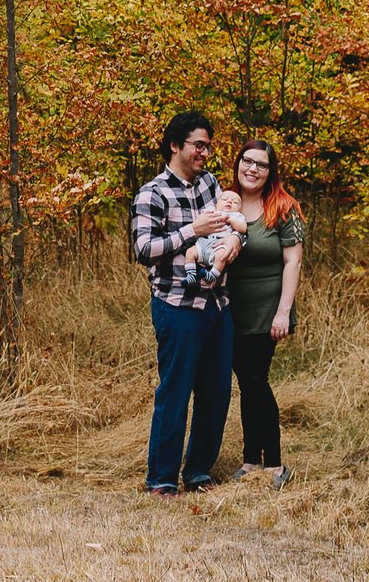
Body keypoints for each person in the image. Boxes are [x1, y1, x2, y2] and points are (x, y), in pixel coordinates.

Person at [129, 109, 237, 494]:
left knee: (216, 392)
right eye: (198, 145)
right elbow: (144, 249)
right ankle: (161, 479)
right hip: (176, 305)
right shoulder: (153, 193)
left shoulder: (210, 184)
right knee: (175, 391)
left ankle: (197, 472)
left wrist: (232, 243)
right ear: (176, 145)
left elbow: (228, 224)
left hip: (217, 305)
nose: (205, 153)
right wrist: (192, 230)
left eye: (208, 146)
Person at [225, 139, 305, 486]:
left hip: (267, 311)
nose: (252, 169)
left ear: (271, 172)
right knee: (247, 382)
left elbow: (293, 261)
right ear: (238, 163)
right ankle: (249, 461)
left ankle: (273, 463)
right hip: (230, 311)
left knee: (256, 380)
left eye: (261, 164)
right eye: (247, 161)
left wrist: (283, 312)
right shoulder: (226, 202)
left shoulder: (284, 208)